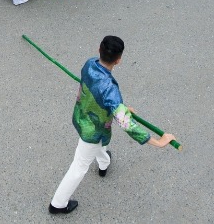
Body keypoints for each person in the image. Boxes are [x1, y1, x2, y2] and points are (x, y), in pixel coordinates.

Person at [48, 35, 175, 214]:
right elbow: (127, 125)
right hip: (93, 131)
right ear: (119, 60)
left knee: (99, 148)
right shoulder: (110, 90)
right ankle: (58, 204)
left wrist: (119, 108)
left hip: (81, 117)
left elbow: (99, 96)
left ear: (98, 49)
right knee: (79, 166)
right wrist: (158, 142)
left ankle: (103, 164)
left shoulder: (89, 63)